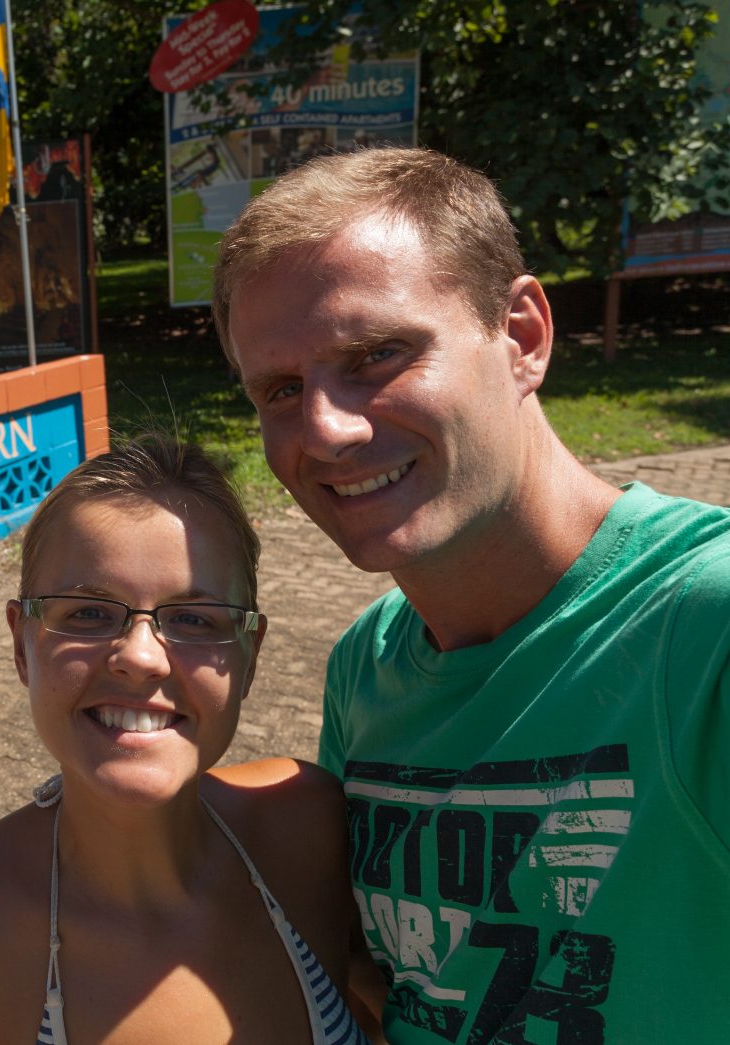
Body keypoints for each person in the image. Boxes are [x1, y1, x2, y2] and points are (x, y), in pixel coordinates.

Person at [214, 146, 730, 1042]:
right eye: (282, 389)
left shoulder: (704, 634)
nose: (326, 430)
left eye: (377, 354)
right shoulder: (368, 666)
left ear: (522, 336)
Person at [0, 436, 371, 1044]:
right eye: (88, 613)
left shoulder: (308, 825)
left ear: (249, 655)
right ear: (22, 644)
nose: (141, 658)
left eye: (194, 619)